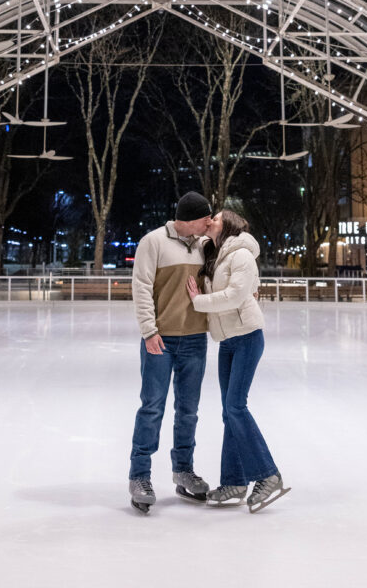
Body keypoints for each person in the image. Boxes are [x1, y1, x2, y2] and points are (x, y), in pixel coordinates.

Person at [186, 209, 290, 514]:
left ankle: (268, 474)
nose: (209, 222)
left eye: (215, 219)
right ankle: (234, 482)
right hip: (227, 341)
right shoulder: (215, 255)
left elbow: (233, 296)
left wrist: (198, 301)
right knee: (228, 412)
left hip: (246, 337)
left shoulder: (241, 255)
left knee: (235, 407)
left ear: (227, 225)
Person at [128, 191, 213, 513]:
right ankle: (139, 476)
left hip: (195, 339)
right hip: (160, 340)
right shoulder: (153, 242)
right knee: (152, 408)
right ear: (190, 218)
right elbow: (142, 287)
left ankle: (184, 470)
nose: (209, 222)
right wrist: (149, 330)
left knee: (188, 411)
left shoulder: (204, 246)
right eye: (206, 217)